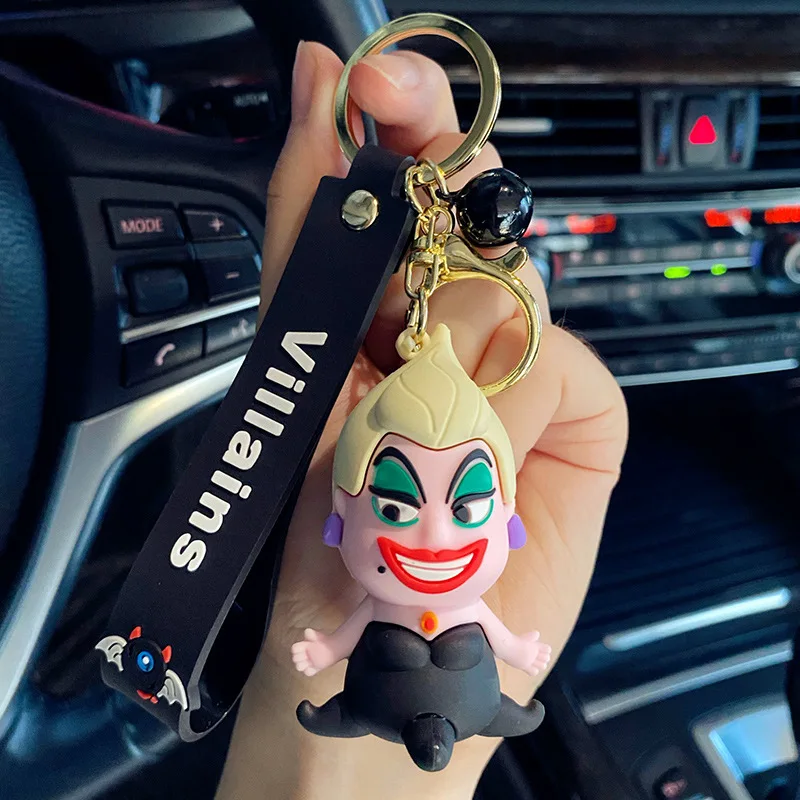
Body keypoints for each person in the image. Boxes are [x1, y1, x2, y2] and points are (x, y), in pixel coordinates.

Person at [215, 41, 628, 799]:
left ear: (508, 523)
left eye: (468, 505)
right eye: (396, 503)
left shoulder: (440, 595)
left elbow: (484, 635)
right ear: (337, 517)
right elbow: (351, 632)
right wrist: (316, 660)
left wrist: (515, 650)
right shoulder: (384, 590)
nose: (436, 536)